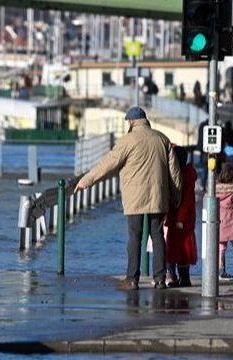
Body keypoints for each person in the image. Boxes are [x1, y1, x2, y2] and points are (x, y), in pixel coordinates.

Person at [74, 106, 182, 290]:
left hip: (135, 197)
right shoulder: (162, 139)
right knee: (157, 237)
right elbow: (175, 173)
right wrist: (176, 197)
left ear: (131, 122)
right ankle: (160, 279)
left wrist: (87, 180)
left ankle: (132, 279)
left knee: (135, 237)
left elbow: (108, 163)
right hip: (158, 196)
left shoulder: (127, 141)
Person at [165, 146, 198, 288]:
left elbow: (186, 201)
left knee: (174, 249)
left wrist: (179, 219)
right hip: (184, 221)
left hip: (178, 220)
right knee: (183, 251)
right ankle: (184, 278)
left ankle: (174, 277)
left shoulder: (181, 176)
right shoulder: (188, 175)